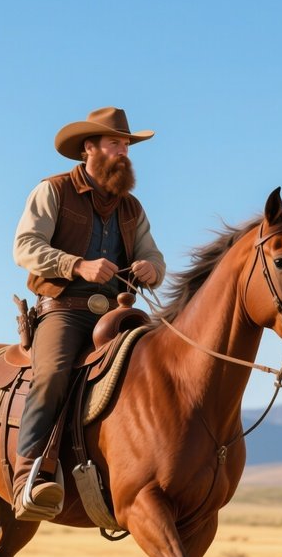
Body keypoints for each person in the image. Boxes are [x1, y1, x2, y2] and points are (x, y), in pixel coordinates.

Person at [11, 106, 166, 519]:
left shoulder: (133, 208)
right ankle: (28, 474)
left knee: (161, 368)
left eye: (127, 146)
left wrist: (153, 269)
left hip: (117, 312)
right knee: (53, 374)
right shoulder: (53, 190)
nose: (124, 153)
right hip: (63, 309)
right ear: (89, 149)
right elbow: (24, 247)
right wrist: (77, 265)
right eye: (116, 144)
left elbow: (154, 256)